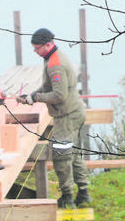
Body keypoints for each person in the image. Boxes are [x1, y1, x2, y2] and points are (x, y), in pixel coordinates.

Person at [17, 27, 91, 209]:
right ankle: (83, 193)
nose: (35, 51)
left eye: (37, 48)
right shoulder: (51, 57)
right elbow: (47, 85)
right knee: (73, 154)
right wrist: (31, 96)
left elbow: (59, 95)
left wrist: (36, 98)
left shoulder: (55, 64)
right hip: (73, 113)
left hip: (67, 117)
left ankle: (67, 197)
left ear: (48, 45)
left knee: (61, 156)